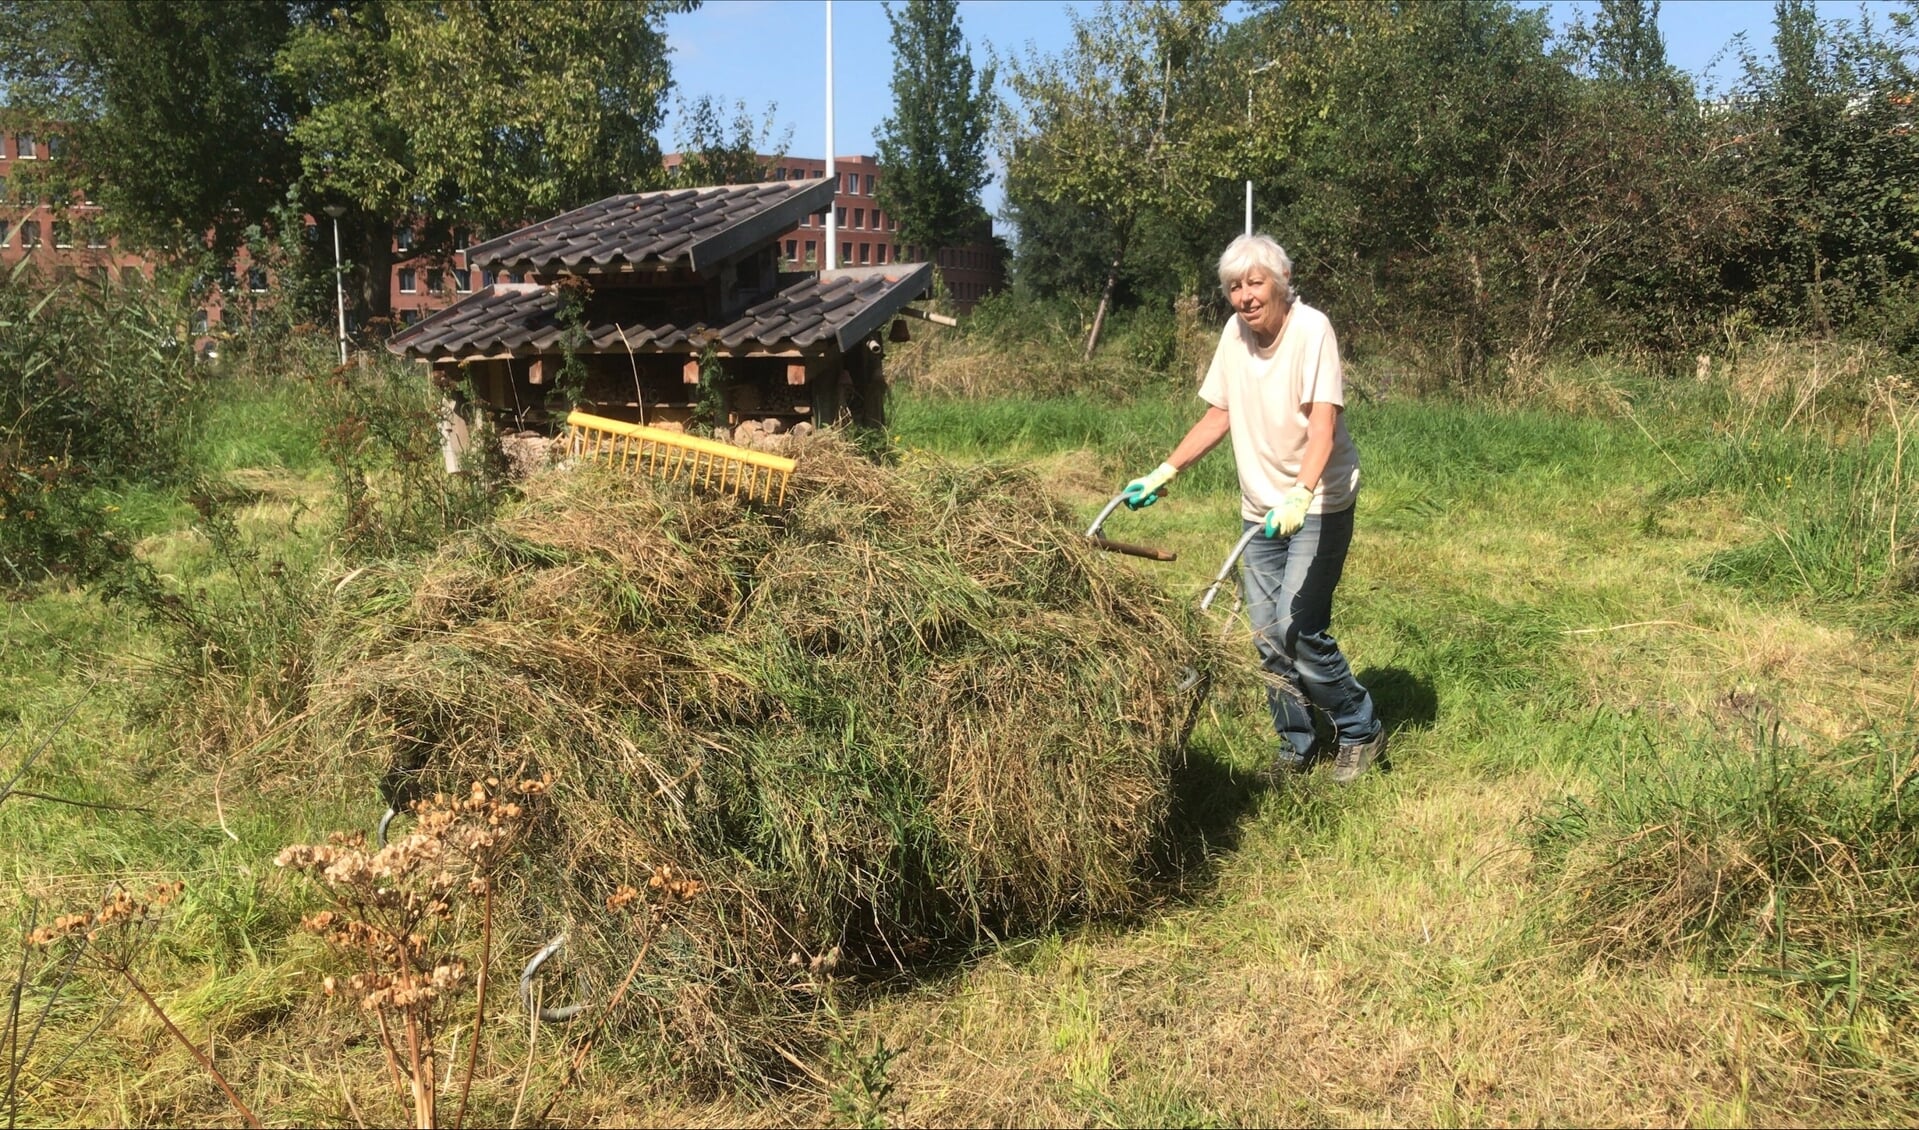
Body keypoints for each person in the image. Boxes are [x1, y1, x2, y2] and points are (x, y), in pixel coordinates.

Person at [1119, 234, 1384, 784]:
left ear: (1280, 282)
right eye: (1234, 286)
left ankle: (1360, 728)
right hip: (1260, 507)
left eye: (1255, 282)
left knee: (1297, 627)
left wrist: (1302, 493)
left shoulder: (1312, 329)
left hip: (1317, 503)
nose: (1245, 296)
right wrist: (1165, 471)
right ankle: (1297, 744)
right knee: (1264, 636)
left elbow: (1323, 424)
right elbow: (1221, 414)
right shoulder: (1234, 336)